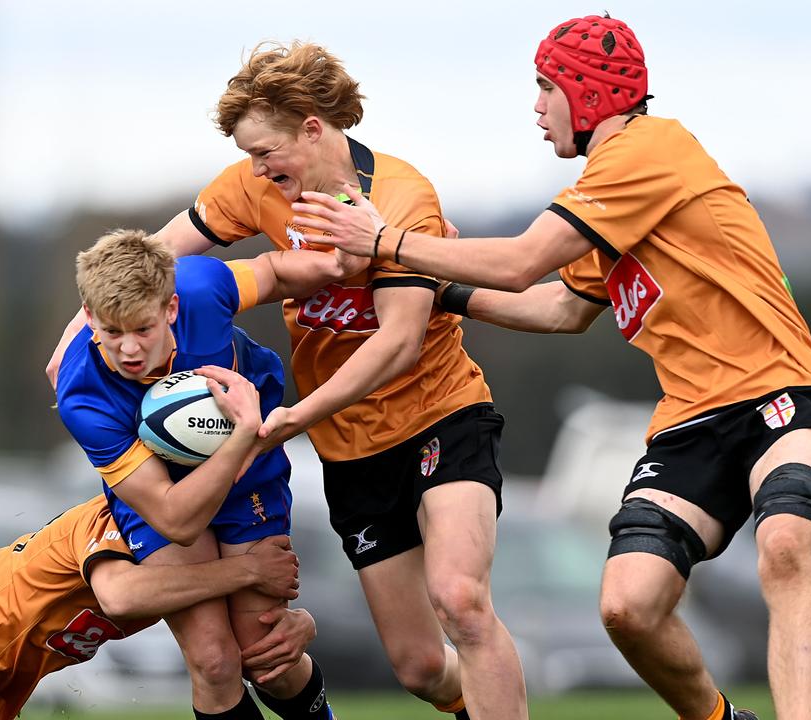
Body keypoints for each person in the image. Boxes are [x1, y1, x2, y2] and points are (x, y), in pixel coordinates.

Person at [293, 15, 811, 720]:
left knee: (785, 544)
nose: (536, 107)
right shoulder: (610, 193)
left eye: (545, 87)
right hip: (691, 418)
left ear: (588, 92)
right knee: (627, 608)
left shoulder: (648, 150)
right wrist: (442, 289)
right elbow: (557, 307)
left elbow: (523, 259)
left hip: (781, 391)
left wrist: (386, 243)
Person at [51, 43, 529, 720]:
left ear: (312, 126)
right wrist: (79, 326)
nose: (254, 169)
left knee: (462, 600)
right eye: (246, 155)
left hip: (438, 414)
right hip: (351, 446)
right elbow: (151, 259)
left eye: (263, 151)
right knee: (420, 666)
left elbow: (396, 342)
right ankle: (471, 704)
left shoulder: (400, 198)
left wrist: (298, 416)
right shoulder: (256, 187)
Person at [55, 229, 363, 720]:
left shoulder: (200, 288)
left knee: (269, 658)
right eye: (112, 333)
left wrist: (339, 266)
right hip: (167, 490)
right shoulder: (84, 396)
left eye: (142, 328)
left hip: (252, 475)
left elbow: (272, 270)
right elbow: (177, 520)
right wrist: (242, 431)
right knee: (215, 661)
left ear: (171, 308)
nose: (128, 350)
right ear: (88, 319)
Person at [0, 495, 311, 720]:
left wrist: (300, 624)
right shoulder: (130, 513)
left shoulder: (194, 552)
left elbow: (233, 639)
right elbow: (121, 594)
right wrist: (246, 572)